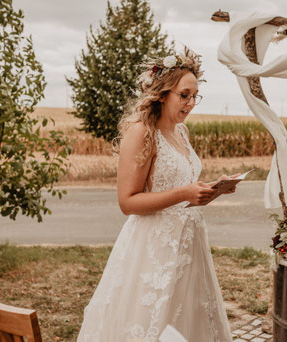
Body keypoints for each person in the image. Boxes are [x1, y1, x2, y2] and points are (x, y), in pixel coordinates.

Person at [77, 48, 233, 342]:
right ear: (163, 93)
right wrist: (183, 193)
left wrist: (210, 189)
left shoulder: (181, 132)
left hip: (189, 245)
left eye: (194, 96)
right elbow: (128, 201)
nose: (190, 103)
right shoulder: (141, 132)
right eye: (183, 95)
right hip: (153, 249)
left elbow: (181, 185)